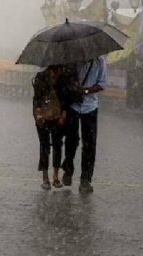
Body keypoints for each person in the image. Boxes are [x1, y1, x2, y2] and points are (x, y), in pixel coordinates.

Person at [62, 56, 107, 193]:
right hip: (73, 106)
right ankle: (68, 168)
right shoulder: (74, 61)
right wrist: (74, 87)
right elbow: (66, 80)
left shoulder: (100, 62)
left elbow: (102, 84)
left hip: (90, 107)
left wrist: (86, 91)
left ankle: (85, 179)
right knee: (71, 140)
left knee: (90, 145)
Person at [32, 65, 67, 190]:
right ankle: (45, 178)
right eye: (55, 71)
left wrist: (64, 113)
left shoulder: (64, 79)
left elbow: (66, 99)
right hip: (43, 116)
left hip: (58, 117)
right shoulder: (40, 78)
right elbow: (37, 98)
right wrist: (39, 114)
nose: (57, 73)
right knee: (45, 145)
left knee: (57, 144)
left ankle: (56, 177)